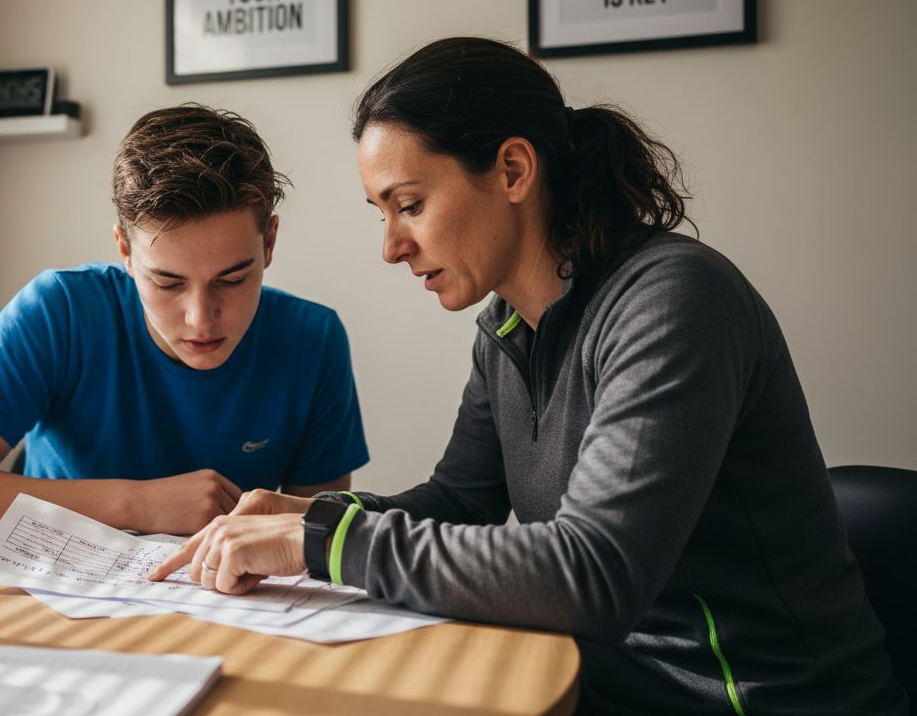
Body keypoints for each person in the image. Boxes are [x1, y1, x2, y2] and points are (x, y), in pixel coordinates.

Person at [149, 39, 908, 715]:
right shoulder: (509, 328)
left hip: (756, 696)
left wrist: (322, 541)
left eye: (408, 205)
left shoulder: (676, 302)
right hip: (604, 685)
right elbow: (460, 502)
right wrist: (308, 516)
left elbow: (594, 574)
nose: (392, 247)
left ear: (513, 169)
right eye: (382, 213)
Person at [0, 104, 368, 541]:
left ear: (270, 244)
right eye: (168, 283)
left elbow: (314, 542)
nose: (200, 318)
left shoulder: (313, 340)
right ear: (125, 252)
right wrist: (138, 504)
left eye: (232, 279)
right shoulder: (59, 311)